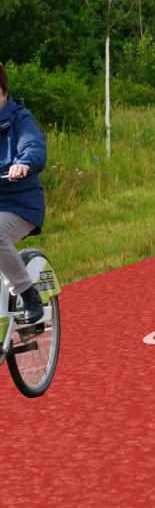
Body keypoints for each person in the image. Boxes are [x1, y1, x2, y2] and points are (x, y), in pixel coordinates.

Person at [0, 63, 46, 325]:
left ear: (4, 91)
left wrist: (24, 163)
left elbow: (33, 145)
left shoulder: (20, 117)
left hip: (19, 204)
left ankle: (29, 294)